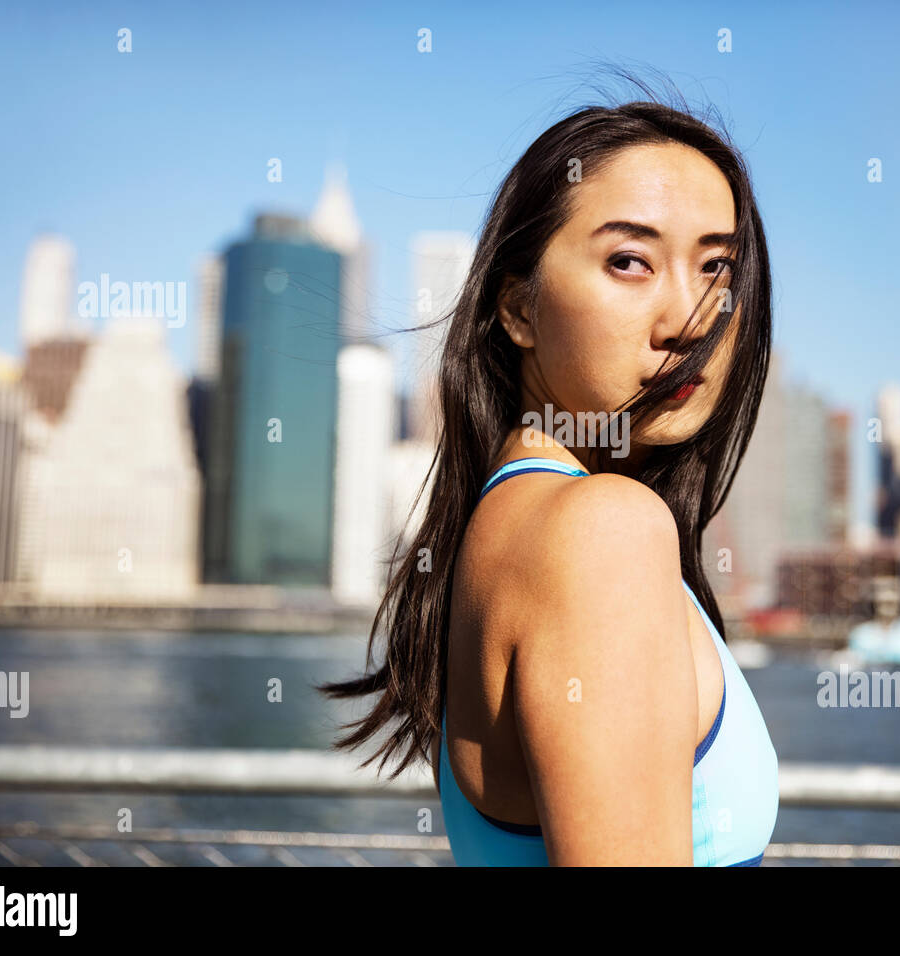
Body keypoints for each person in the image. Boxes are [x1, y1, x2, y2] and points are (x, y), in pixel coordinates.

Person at [320, 85, 779, 866]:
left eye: (716, 270)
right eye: (629, 261)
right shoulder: (600, 531)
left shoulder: (513, 524)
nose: (689, 321)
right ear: (519, 308)